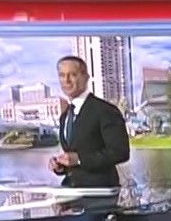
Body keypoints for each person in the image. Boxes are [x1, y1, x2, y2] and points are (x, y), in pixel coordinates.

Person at [49, 55, 129, 188]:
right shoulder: (65, 116)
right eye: (62, 75)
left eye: (72, 74)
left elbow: (120, 152)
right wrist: (61, 167)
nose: (66, 80)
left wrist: (79, 159)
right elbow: (75, 159)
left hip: (100, 192)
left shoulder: (105, 110)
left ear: (85, 78)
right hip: (71, 192)